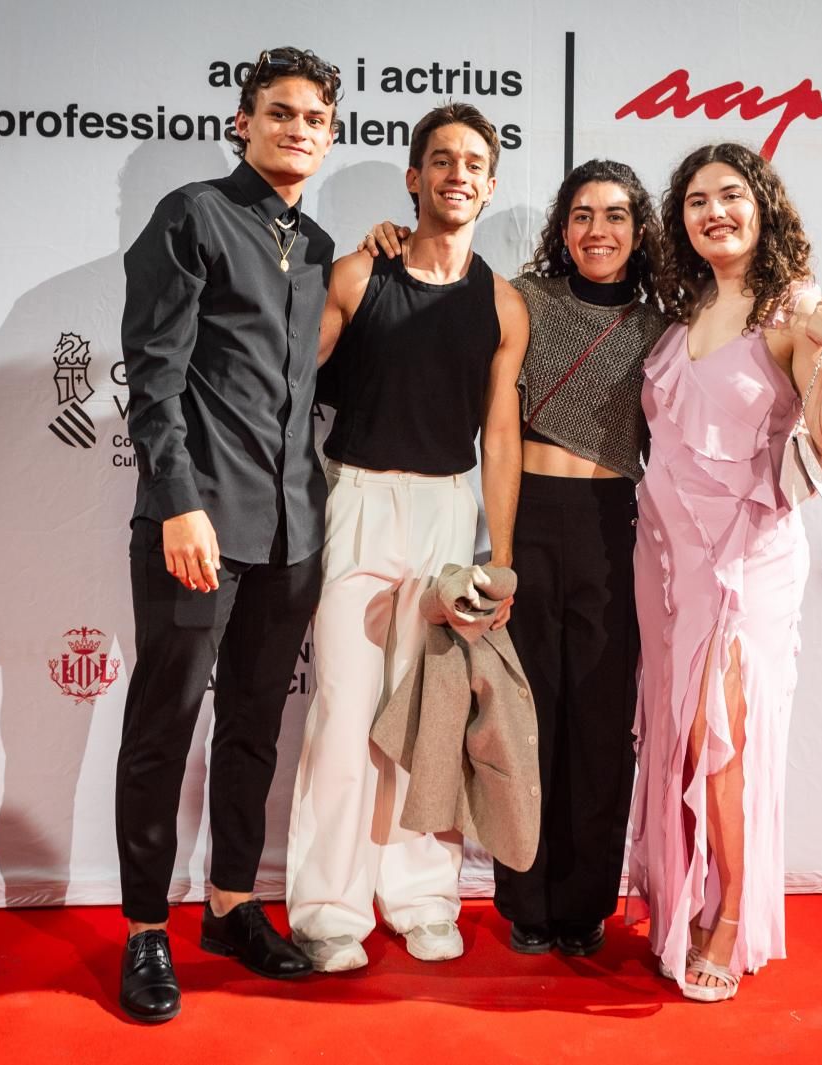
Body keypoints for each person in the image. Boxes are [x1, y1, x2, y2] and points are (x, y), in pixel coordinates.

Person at [362, 160, 666, 957]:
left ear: (640, 231)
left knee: (600, 723)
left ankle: (586, 901)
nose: (597, 230)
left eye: (615, 216)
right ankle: (525, 898)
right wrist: (390, 241)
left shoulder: (662, 322)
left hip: (614, 527)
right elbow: (447, 296)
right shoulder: (524, 299)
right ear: (562, 229)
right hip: (525, 515)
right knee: (520, 719)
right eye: (581, 215)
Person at [113, 46, 340, 1023]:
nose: (297, 130)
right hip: (197, 524)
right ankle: (144, 932)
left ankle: (232, 906)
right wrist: (176, 501)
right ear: (240, 124)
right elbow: (154, 374)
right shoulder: (193, 217)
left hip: (295, 529)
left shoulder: (322, 247)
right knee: (163, 728)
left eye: (314, 120)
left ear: (330, 136)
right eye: (280, 113)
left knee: (254, 727)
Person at [283, 102, 530, 973]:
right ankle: (326, 908)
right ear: (414, 177)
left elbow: (499, 436)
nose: (458, 172)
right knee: (346, 715)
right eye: (441, 159)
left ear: (491, 186)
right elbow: (286, 381)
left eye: (474, 162)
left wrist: (499, 553)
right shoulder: (356, 275)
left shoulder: (502, 304)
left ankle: (424, 897)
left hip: (443, 514)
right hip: (355, 500)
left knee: (431, 716)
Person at [630, 143, 822, 1002]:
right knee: (682, 734)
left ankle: (732, 913)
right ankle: (686, 891)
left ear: (763, 205)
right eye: (696, 200)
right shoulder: (684, 308)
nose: (714, 212)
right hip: (665, 559)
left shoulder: (793, 310)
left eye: (731, 195)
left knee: (723, 740)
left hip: (746, 559)